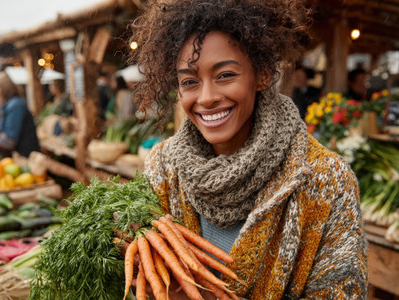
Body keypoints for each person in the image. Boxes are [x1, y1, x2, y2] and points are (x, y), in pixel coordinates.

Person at [128, 0, 368, 298]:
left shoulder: (325, 179)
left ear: (263, 74)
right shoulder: (162, 168)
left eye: (225, 75)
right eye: (189, 81)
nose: (206, 97)